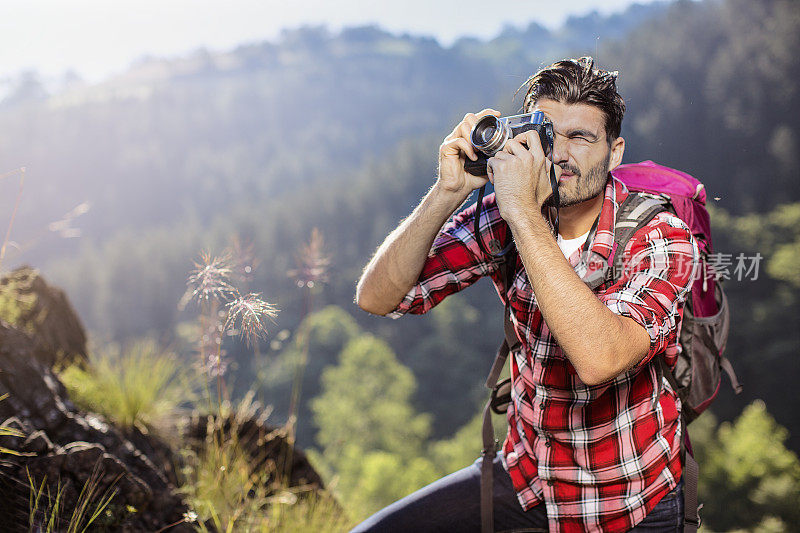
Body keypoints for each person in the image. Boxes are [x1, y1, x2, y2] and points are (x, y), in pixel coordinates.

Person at [354, 57, 698, 532]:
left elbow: (600, 358)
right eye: (547, 134)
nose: (560, 153)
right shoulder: (503, 218)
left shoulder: (661, 237)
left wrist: (522, 211)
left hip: (626, 499)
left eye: (581, 137)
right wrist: (446, 192)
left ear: (614, 152)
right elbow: (378, 297)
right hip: (526, 474)